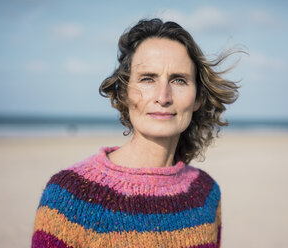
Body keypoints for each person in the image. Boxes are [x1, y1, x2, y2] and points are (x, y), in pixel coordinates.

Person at [32, 18, 239, 248]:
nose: (163, 97)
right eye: (147, 79)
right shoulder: (67, 196)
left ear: (198, 97)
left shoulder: (206, 192)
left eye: (179, 80)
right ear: (124, 92)